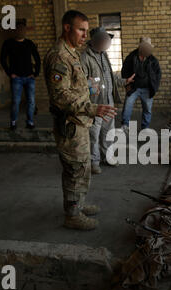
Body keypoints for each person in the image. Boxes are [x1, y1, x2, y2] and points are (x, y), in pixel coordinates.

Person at [43, 10, 117, 231]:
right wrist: (92, 108)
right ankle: (72, 215)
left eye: (86, 31)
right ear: (67, 28)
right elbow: (60, 96)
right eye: (81, 30)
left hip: (80, 122)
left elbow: (76, 87)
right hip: (70, 125)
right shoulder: (59, 56)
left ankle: (79, 204)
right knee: (75, 170)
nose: (86, 35)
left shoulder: (73, 53)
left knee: (83, 167)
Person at [81, 27, 135, 174]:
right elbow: (81, 82)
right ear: (95, 41)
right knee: (94, 134)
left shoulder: (104, 55)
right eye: (104, 39)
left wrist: (124, 81)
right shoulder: (85, 57)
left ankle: (107, 157)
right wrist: (91, 85)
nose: (107, 42)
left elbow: (109, 77)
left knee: (108, 132)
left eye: (107, 39)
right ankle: (94, 162)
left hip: (108, 101)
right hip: (95, 104)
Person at [0, 19, 41, 130]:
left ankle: (30, 122)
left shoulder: (29, 43)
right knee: (15, 102)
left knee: (31, 101)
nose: (21, 31)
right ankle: (13, 122)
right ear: (15, 31)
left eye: (23, 29)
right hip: (16, 78)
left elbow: (37, 59)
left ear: (25, 31)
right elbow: (2, 59)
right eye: (18, 29)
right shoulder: (8, 43)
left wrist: (35, 73)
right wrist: (10, 74)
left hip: (29, 78)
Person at [121, 37, 162, 132]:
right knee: (127, 106)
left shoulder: (153, 60)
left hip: (147, 89)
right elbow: (124, 71)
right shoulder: (131, 57)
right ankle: (125, 125)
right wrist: (127, 85)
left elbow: (158, 74)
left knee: (147, 109)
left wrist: (154, 87)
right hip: (134, 87)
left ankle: (145, 127)